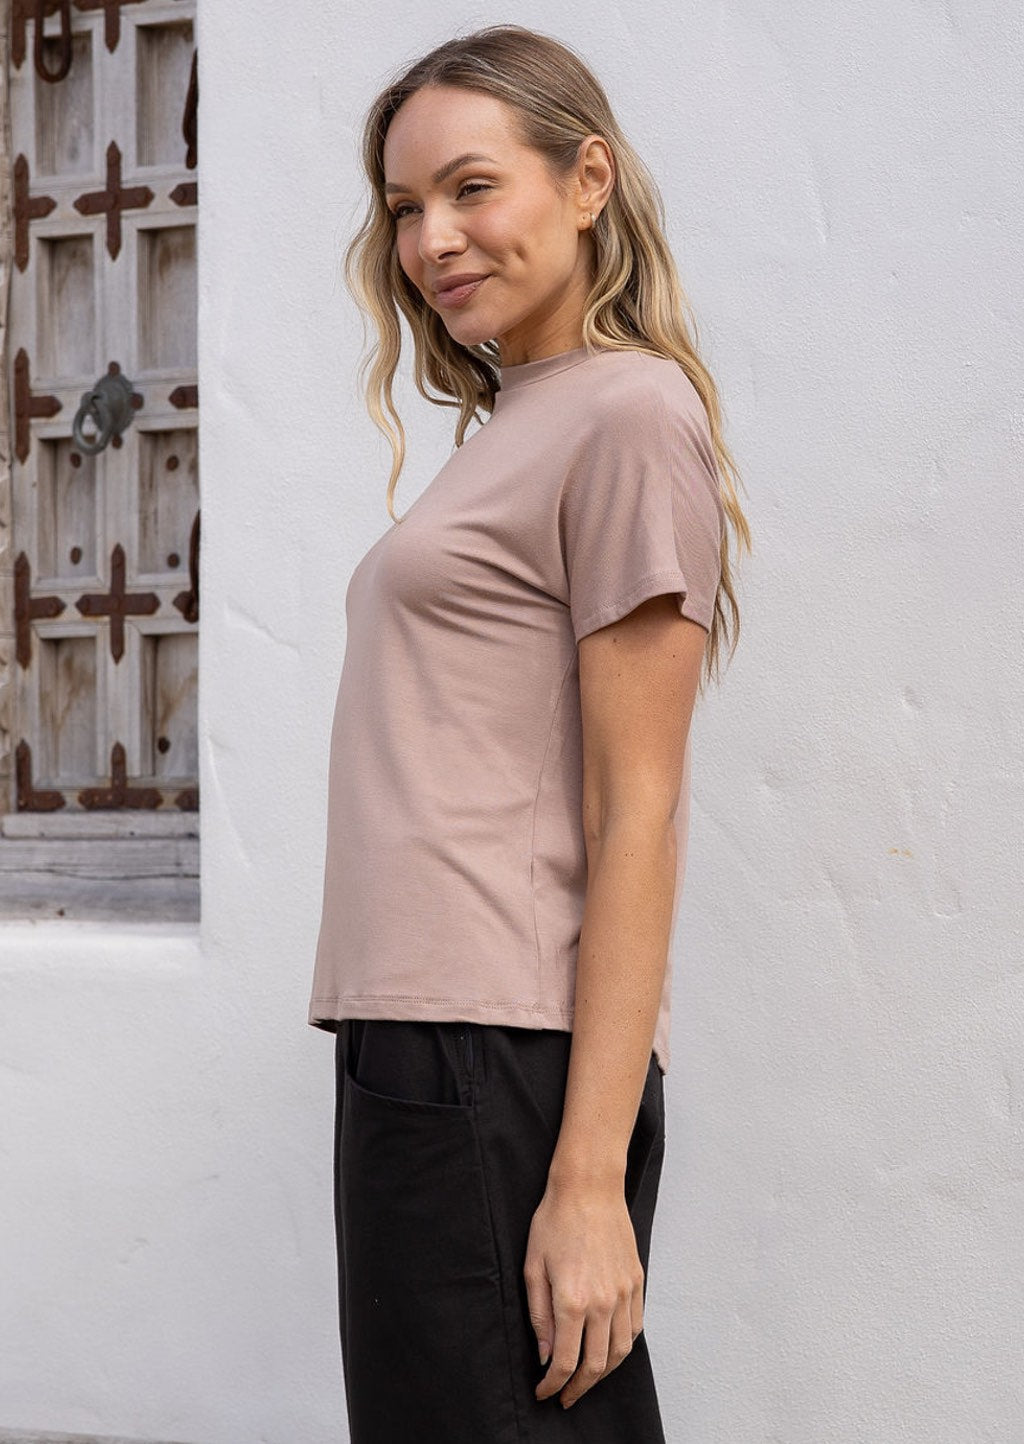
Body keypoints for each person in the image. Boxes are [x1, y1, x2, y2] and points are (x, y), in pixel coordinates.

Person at [307, 23, 750, 1443]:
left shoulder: (625, 413)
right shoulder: (520, 422)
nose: (433, 239)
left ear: (587, 179)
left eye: (470, 188)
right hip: (424, 1038)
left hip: (497, 1050)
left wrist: (585, 1183)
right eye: (404, 210)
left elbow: (644, 810)